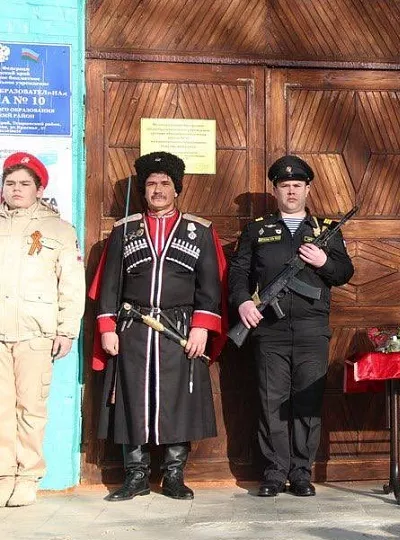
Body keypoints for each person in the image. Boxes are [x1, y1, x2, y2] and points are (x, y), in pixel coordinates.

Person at [90, 151, 227, 502]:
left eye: (165, 183)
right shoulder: (125, 230)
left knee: (177, 400)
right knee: (131, 399)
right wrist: (107, 326)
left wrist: (202, 327)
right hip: (132, 329)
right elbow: (108, 283)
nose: (158, 190)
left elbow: (211, 285)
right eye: (151, 184)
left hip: (179, 330)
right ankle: (135, 476)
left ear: (176, 189)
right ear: (144, 190)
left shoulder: (199, 231)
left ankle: (173, 475)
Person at [229, 155, 354, 497]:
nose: (291, 192)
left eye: (297, 186)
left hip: (312, 329)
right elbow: (238, 273)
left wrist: (325, 261)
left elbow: (345, 273)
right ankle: (273, 471)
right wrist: (242, 302)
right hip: (270, 330)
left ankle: (301, 472)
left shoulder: (325, 230)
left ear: (308, 189)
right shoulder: (257, 229)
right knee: (272, 402)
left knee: (307, 400)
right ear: (276, 190)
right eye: (285, 186)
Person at [0, 152, 84, 506]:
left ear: (38, 188)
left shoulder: (58, 229)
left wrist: (66, 329)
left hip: (36, 332)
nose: (16, 189)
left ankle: (28, 475)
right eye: (10, 183)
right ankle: (4, 473)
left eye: (24, 184)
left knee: (30, 407)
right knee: (1, 407)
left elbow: (71, 283)